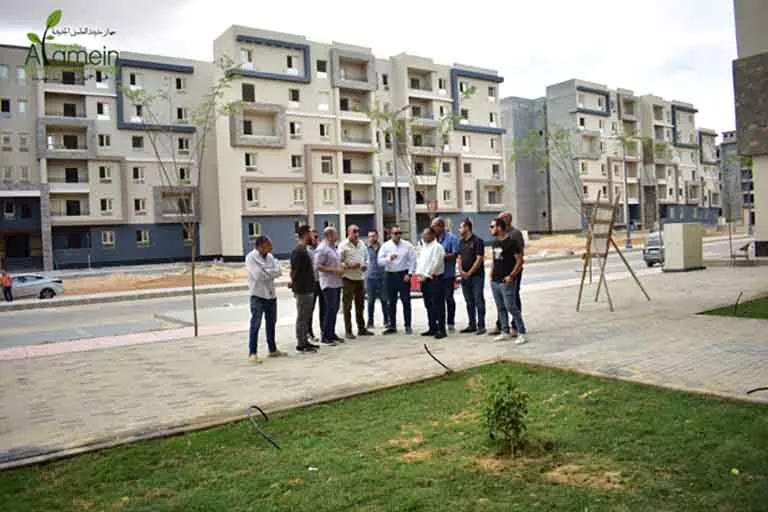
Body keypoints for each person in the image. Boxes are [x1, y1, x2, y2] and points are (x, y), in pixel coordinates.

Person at [245, 235, 286, 363]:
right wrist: (271, 272)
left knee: (271, 322)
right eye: (268, 244)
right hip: (258, 295)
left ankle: (272, 349)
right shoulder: (251, 257)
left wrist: (267, 271)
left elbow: (279, 271)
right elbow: (258, 275)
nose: (271, 247)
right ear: (260, 246)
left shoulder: (270, 257)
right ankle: (252, 353)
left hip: (271, 295)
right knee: (255, 324)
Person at [489, 217, 527, 344]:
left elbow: (520, 261)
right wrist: (491, 273)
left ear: (499, 227)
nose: (490, 229)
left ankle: (521, 332)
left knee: (511, 306)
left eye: (492, 226)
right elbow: (494, 260)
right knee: (500, 307)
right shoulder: (495, 243)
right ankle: (504, 331)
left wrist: (512, 275)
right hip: (495, 280)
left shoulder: (511, 243)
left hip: (507, 281)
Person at [378, 225, 417, 335]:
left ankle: (408, 325)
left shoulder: (407, 245)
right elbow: (379, 261)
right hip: (390, 274)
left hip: (403, 274)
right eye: (396, 233)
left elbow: (413, 261)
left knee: (406, 301)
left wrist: (409, 274)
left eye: (400, 233)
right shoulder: (386, 246)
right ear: (391, 234)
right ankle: (392, 325)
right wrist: (388, 259)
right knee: (391, 302)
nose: (398, 235)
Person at [338, 225, 373, 339]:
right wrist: (348, 265)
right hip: (348, 278)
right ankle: (348, 331)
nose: (356, 233)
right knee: (347, 306)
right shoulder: (343, 245)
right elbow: (338, 261)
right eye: (354, 231)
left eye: (358, 231)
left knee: (360, 305)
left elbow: (367, 258)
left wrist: (365, 265)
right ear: (348, 232)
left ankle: (361, 328)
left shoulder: (362, 244)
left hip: (360, 278)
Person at [290, 225, 321, 354]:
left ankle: (305, 340)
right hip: (302, 289)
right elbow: (294, 271)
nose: (312, 236)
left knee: (306, 316)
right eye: (310, 234)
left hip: (308, 288)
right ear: (305, 234)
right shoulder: (298, 251)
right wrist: (294, 286)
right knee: (302, 316)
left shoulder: (304, 250)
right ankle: (301, 343)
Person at [314, 226, 346, 345]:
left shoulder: (333, 247)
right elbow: (318, 266)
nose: (337, 236)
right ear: (329, 235)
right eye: (335, 234)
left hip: (336, 282)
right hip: (328, 283)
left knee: (335, 308)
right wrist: (334, 270)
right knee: (330, 308)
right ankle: (326, 335)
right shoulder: (322, 248)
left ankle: (332, 333)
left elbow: (336, 261)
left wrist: (341, 266)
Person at [415, 227, 447, 339]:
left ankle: (441, 329)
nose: (423, 236)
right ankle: (432, 327)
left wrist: (427, 275)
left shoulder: (437, 247)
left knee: (438, 305)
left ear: (432, 235)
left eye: (426, 234)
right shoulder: (424, 247)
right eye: (423, 234)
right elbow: (421, 262)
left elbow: (435, 263)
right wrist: (419, 274)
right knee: (429, 304)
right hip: (424, 280)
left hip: (434, 278)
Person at [456, 218, 486, 334]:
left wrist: (469, 273)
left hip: (476, 276)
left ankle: (481, 325)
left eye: (461, 227)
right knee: (469, 301)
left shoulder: (478, 241)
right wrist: (461, 271)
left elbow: (479, 259)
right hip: (465, 277)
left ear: (467, 227)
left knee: (478, 300)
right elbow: (459, 258)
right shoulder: (461, 242)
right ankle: (471, 324)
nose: (459, 229)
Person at [431, 218, 460, 333]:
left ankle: (450, 322)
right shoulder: (432, 239)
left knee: (449, 298)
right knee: (437, 300)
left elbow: (455, 254)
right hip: (435, 275)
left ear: (441, 226)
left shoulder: (452, 238)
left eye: (435, 226)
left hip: (447, 274)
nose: (433, 228)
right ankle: (439, 322)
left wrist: (441, 256)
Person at [366, 229, 389, 329]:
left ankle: (386, 320)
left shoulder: (383, 248)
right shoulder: (366, 249)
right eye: (370, 236)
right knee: (370, 301)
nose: (371, 238)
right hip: (370, 278)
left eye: (373, 236)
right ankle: (370, 321)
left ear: (377, 236)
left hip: (382, 277)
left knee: (384, 300)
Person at [307, 228, 324, 342]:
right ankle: (309, 332)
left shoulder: (321, 249)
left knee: (324, 307)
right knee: (309, 309)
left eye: (316, 237)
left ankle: (324, 331)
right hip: (311, 282)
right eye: (313, 236)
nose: (315, 239)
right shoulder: (306, 250)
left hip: (322, 281)